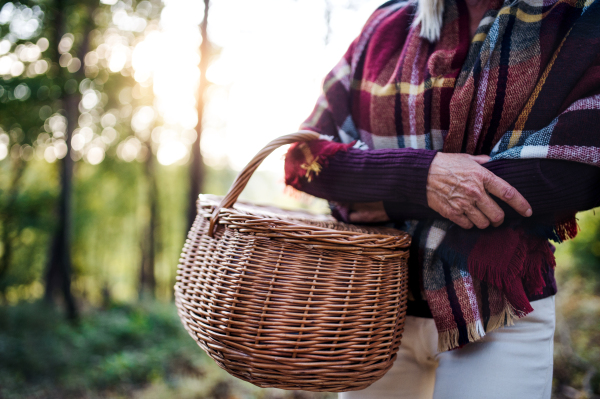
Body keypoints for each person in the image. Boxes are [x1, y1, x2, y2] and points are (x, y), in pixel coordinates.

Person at [283, 0, 600, 397]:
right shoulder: (386, 25)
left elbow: (576, 170)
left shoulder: (575, 17)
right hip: (375, 311)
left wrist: (373, 190)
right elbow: (304, 159)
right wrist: (422, 177)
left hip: (501, 309)